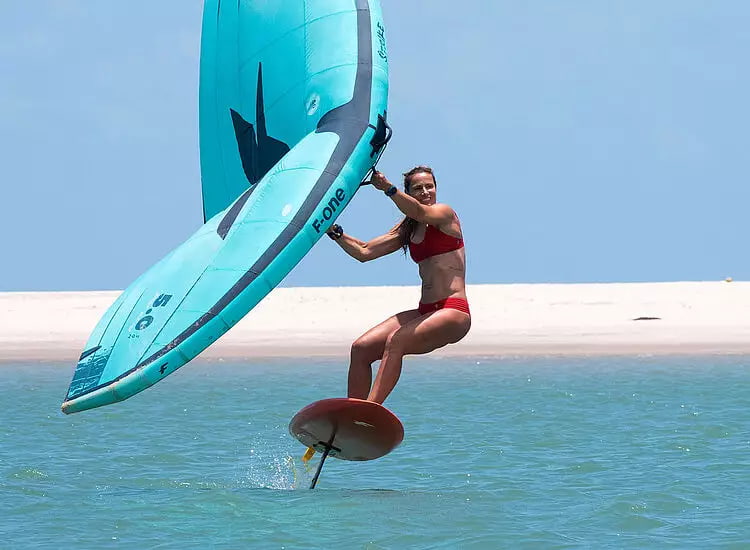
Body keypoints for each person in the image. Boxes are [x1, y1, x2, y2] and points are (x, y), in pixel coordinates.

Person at [326, 166, 471, 404]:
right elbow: (365, 251)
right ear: (409, 192)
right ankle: (352, 414)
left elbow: (420, 211)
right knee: (361, 348)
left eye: (429, 186)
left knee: (396, 340)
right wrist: (333, 231)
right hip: (425, 311)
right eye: (418, 188)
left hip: (453, 311)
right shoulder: (408, 228)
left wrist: (387, 188)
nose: (425, 192)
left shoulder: (445, 214)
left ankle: (370, 411)